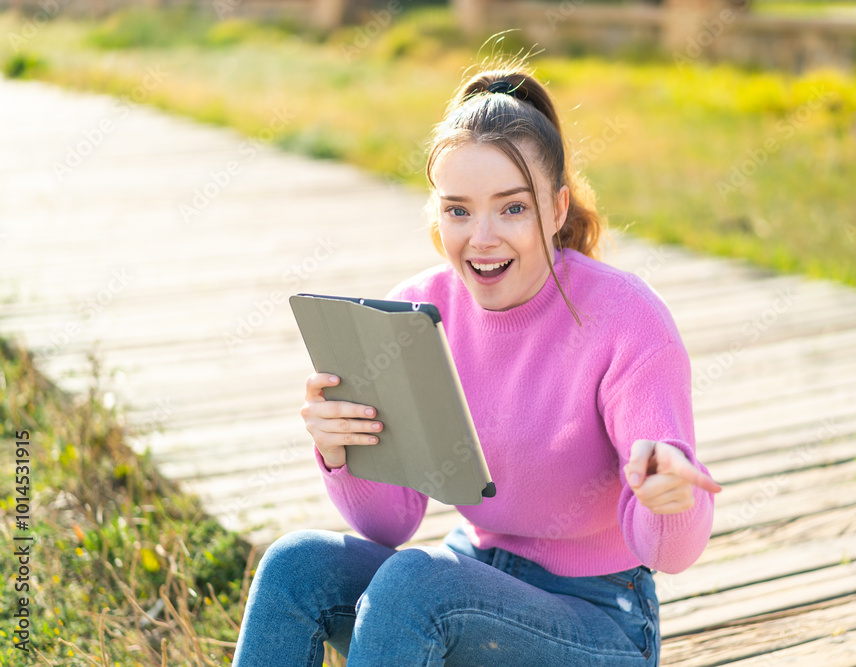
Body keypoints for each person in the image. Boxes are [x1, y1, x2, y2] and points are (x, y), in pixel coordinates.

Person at [232, 54, 721, 667]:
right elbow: (391, 524)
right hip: (464, 582)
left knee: (417, 583)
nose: (481, 236)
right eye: (458, 209)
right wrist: (342, 453)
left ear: (557, 208)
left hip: (599, 620)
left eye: (512, 207)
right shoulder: (415, 312)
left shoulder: (625, 317)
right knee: (296, 564)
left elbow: (672, 550)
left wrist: (668, 499)